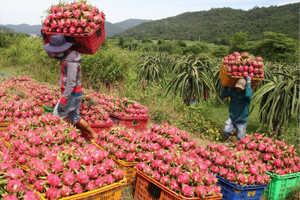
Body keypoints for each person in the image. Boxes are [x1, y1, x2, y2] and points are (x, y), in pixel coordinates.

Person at [43, 34, 97, 139]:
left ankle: (59, 140)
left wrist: (63, 100)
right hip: (74, 94)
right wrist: (45, 40)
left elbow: (71, 83)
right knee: (75, 118)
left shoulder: (71, 62)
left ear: (61, 49)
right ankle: (94, 135)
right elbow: (51, 55)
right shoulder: (67, 56)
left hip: (72, 94)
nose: (54, 52)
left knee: (56, 117)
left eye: (55, 49)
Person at [221, 76, 253, 141]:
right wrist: (226, 85)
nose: (238, 89)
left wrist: (248, 82)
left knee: (240, 139)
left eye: (240, 88)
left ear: (244, 88)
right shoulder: (233, 91)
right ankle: (235, 134)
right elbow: (223, 95)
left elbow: (248, 95)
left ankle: (238, 135)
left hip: (242, 120)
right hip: (232, 118)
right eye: (237, 87)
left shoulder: (247, 94)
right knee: (226, 130)